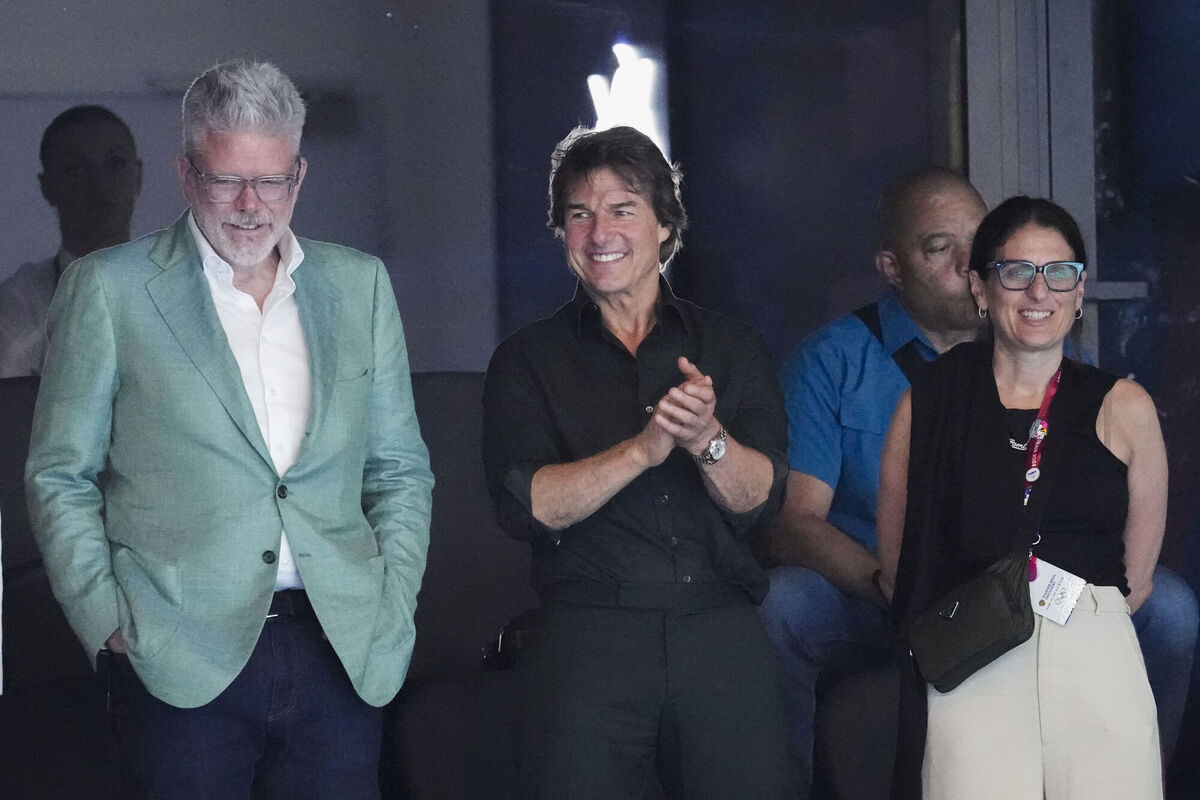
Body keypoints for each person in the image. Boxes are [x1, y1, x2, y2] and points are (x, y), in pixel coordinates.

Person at [25, 60, 433, 800]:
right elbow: (60, 474)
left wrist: (391, 602)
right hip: (178, 653)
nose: (251, 205)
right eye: (226, 180)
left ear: (299, 176)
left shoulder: (359, 284)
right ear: (186, 174)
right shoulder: (109, 290)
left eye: (271, 180)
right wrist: (108, 621)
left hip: (340, 645)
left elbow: (399, 468)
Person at [758, 169, 1196, 794]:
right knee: (784, 604)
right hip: (882, 583)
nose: (1034, 290)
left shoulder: (1093, 384)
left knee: (1172, 612)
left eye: (1056, 273)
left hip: (1057, 603)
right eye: (944, 248)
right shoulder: (846, 363)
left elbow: (1127, 556)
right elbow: (797, 523)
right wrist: (905, 591)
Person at [482, 125, 796, 798]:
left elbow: (761, 500)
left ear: (664, 225)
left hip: (719, 626)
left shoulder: (732, 347)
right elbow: (525, 506)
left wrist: (707, 439)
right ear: (562, 233)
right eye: (579, 213)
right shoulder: (527, 358)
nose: (600, 231)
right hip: (588, 628)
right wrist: (645, 449)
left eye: (622, 208)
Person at [878, 196, 1165, 798]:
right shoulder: (929, 403)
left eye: (1059, 273)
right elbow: (900, 562)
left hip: (1093, 650)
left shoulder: (1125, 408)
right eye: (1017, 272)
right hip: (972, 654)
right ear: (982, 289)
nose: (1040, 292)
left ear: (1079, 291)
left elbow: (1135, 581)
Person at [0, 105, 143, 377]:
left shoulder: (187, 291)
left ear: (138, 176)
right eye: (77, 169)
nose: (99, 184)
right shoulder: (20, 307)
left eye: (115, 163)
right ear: (48, 186)